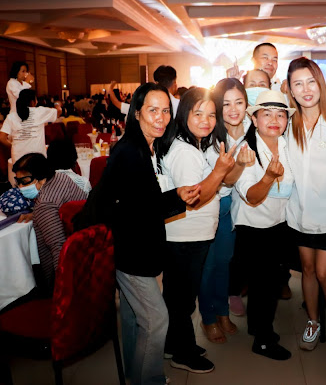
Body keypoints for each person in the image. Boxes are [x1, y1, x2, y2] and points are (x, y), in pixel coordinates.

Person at [76, 82, 201, 385]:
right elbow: (141, 210)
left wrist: (175, 195)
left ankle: (135, 374)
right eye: (153, 110)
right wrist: (177, 197)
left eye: (166, 111)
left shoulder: (144, 146)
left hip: (128, 244)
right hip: (129, 249)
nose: (161, 118)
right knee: (156, 319)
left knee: (133, 316)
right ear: (136, 113)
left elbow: (141, 201)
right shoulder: (131, 152)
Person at [159, 87, 236, 374]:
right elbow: (194, 198)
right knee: (183, 300)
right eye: (198, 113)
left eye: (211, 115)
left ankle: (172, 344)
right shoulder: (185, 151)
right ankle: (184, 353)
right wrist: (219, 171)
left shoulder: (192, 146)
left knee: (177, 296)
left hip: (186, 234)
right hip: (185, 235)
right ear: (184, 115)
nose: (206, 121)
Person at [285, 58, 326, 360]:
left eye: (311, 81)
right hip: (299, 211)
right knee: (307, 270)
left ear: (320, 83)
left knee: (325, 273)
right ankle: (313, 321)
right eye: (298, 84)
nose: (306, 89)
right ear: (290, 90)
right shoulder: (288, 124)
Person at [232, 90, 296, 361]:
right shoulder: (246, 150)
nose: (274, 120)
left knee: (268, 283)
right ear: (255, 119)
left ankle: (258, 327)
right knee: (263, 285)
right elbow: (252, 196)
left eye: (280, 115)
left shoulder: (287, 145)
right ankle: (263, 341)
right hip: (255, 227)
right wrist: (268, 177)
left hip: (279, 223)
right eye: (267, 114)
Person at [198, 78, 254, 344]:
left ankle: (222, 312)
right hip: (212, 205)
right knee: (208, 267)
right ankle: (208, 317)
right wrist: (240, 164)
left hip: (234, 207)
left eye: (239, 102)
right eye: (226, 104)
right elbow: (226, 179)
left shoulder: (252, 129)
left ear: (246, 104)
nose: (233, 110)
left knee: (224, 263)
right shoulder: (211, 135)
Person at [12, 153, 87, 293]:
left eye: (25, 181)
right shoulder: (61, 178)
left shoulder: (45, 204)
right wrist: (37, 214)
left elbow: (58, 247)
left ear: (41, 178)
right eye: (18, 181)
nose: (20, 187)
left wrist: (62, 288)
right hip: (86, 255)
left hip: (65, 272)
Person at [0, 89, 57, 164]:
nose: (37, 102)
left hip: (18, 157)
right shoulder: (40, 112)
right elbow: (58, 111)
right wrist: (57, 105)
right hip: (37, 157)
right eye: (36, 99)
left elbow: (1, 138)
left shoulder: (11, 116)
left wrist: (13, 146)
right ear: (32, 101)